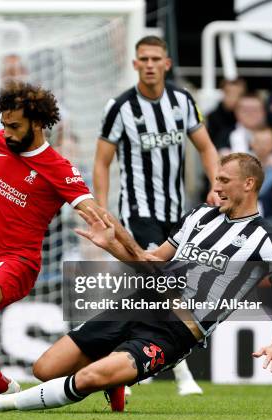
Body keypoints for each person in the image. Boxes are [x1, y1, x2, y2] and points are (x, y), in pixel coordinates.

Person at [0, 153, 272, 414]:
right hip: (141, 302)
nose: (215, 186)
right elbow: (154, 260)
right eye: (216, 179)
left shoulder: (269, 239)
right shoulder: (200, 216)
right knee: (44, 369)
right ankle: (116, 381)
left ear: (248, 184)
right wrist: (111, 244)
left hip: (175, 331)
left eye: (223, 181)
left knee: (87, 379)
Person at [0, 81, 144, 413]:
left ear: (37, 123)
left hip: (18, 262)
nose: (7, 132)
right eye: (3, 125)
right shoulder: (2, 142)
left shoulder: (59, 168)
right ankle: (2, 386)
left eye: (14, 126)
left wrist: (141, 257)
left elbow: (100, 215)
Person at [93, 35, 218, 395]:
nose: (149, 64)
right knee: (160, 283)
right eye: (142, 59)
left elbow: (206, 146)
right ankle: (180, 373)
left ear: (166, 63)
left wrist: (217, 185)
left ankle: (123, 358)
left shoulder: (182, 101)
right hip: (138, 212)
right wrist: (101, 209)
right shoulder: (119, 108)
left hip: (177, 214)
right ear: (135, 64)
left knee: (152, 288)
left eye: (155, 59)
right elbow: (102, 162)